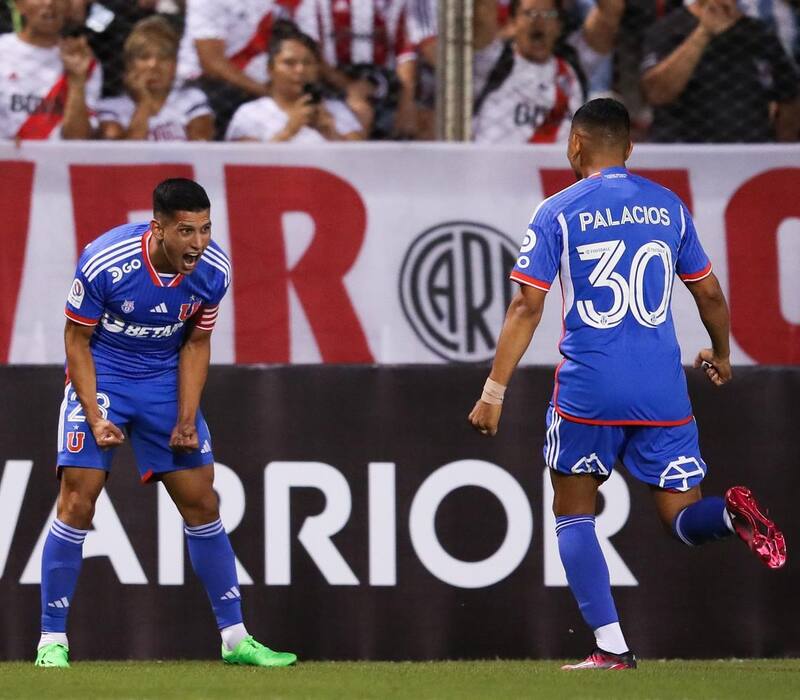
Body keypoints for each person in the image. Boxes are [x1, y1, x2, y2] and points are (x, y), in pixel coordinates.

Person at [468, 98, 786, 670]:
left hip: (590, 389)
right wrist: (721, 351)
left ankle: (611, 647)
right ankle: (732, 517)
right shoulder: (669, 208)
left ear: (575, 145)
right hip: (663, 392)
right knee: (682, 521)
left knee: (573, 513)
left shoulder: (557, 210)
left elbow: (526, 307)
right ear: (629, 149)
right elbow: (709, 294)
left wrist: (494, 391)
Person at [35, 178, 297, 669]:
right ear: (158, 230)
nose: (198, 242)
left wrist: (185, 417)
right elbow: (76, 341)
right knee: (77, 497)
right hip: (105, 376)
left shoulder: (213, 270)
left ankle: (235, 638)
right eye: (186, 231)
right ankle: (52, 641)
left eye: (205, 229)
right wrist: (94, 415)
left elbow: (197, 344)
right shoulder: (105, 261)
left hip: (163, 381)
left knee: (202, 499)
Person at [640, 0, 800, 142]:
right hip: (684, 155)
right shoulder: (668, 29)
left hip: (750, 155)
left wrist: (776, 154)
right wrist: (704, 31)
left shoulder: (760, 34)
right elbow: (657, 93)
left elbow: (789, 100)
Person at [472, 0, 585, 143]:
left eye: (548, 14)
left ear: (559, 26)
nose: (538, 20)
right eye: (529, 13)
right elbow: (482, 12)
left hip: (553, 163)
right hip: (494, 163)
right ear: (512, 23)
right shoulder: (492, 61)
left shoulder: (571, 73)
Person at [225, 29, 363, 142]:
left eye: (308, 63)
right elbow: (246, 166)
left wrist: (329, 133)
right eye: (289, 63)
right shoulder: (251, 113)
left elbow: (360, 163)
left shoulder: (337, 110)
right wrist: (289, 131)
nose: (300, 70)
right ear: (270, 69)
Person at [97, 16, 214, 141]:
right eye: (144, 57)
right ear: (129, 64)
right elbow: (126, 155)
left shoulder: (191, 100)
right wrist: (144, 104)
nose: (154, 65)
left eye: (163, 57)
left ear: (175, 65)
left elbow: (200, 143)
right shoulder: (110, 108)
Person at [0, 0, 102, 140]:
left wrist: (77, 81)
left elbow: (78, 139)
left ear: (68, 7)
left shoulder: (85, 61)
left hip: (60, 159)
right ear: (19, 5)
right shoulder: (2, 52)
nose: (49, 3)